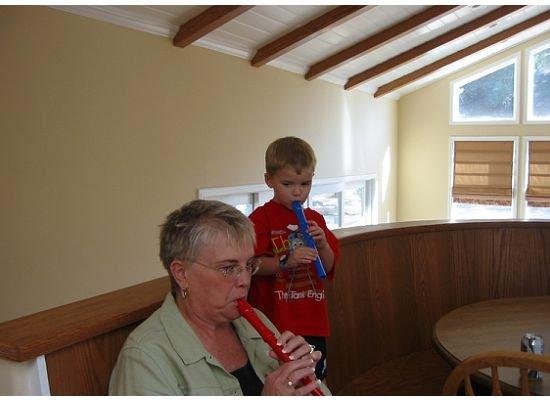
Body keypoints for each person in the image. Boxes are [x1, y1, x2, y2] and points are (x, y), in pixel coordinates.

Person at [109, 199, 330, 395]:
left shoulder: (253, 321)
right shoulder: (145, 358)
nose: (245, 280)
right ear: (182, 274)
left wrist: (304, 379)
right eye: (228, 268)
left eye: (249, 265)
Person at [248, 136, 340, 381]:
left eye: (305, 184)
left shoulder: (316, 219)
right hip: (275, 323)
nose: (298, 192)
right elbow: (251, 265)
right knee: (282, 381)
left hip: (312, 321)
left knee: (314, 381)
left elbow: (328, 266)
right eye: (287, 184)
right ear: (269, 180)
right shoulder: (260, 219)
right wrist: (284, 262)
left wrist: (322, 245)